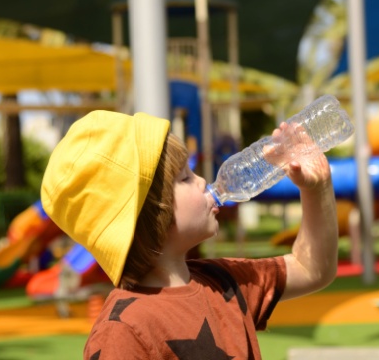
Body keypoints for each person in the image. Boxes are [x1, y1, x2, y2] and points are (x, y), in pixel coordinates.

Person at [41, 110, 338, 359]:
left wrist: (316, 189)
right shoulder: (123, 330)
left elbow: (311, 268)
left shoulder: (222, 280)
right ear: (151, 214)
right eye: (185, 177)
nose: (202, 182)